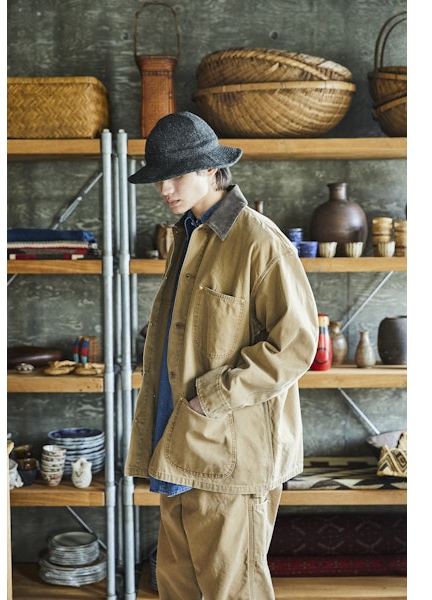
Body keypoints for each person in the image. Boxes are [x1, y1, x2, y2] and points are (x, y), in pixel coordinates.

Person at [124, 111, 318, 600]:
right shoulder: (187, 235)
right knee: (177, 586)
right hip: (177, 443)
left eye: (175, 175)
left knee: (233, 590)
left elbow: (295, 345)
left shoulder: (259, 241)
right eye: (158, 178)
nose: (164, 188)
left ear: (212, 169)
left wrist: (209, 399)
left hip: (230, 453)